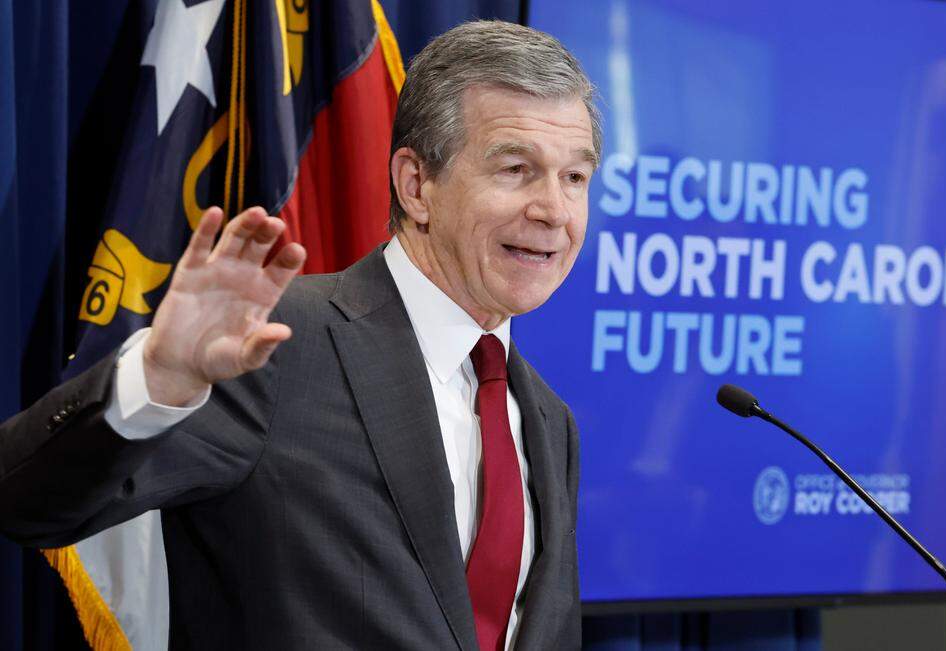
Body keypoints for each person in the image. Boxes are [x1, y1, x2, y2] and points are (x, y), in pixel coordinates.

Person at [0, 20, 600, 650]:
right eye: (515, 168)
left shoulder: (548, 421)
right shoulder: (272, 346)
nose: (554, 211)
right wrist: (157, 380)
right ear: (416, 186)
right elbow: (26, 503)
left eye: (575, 178)